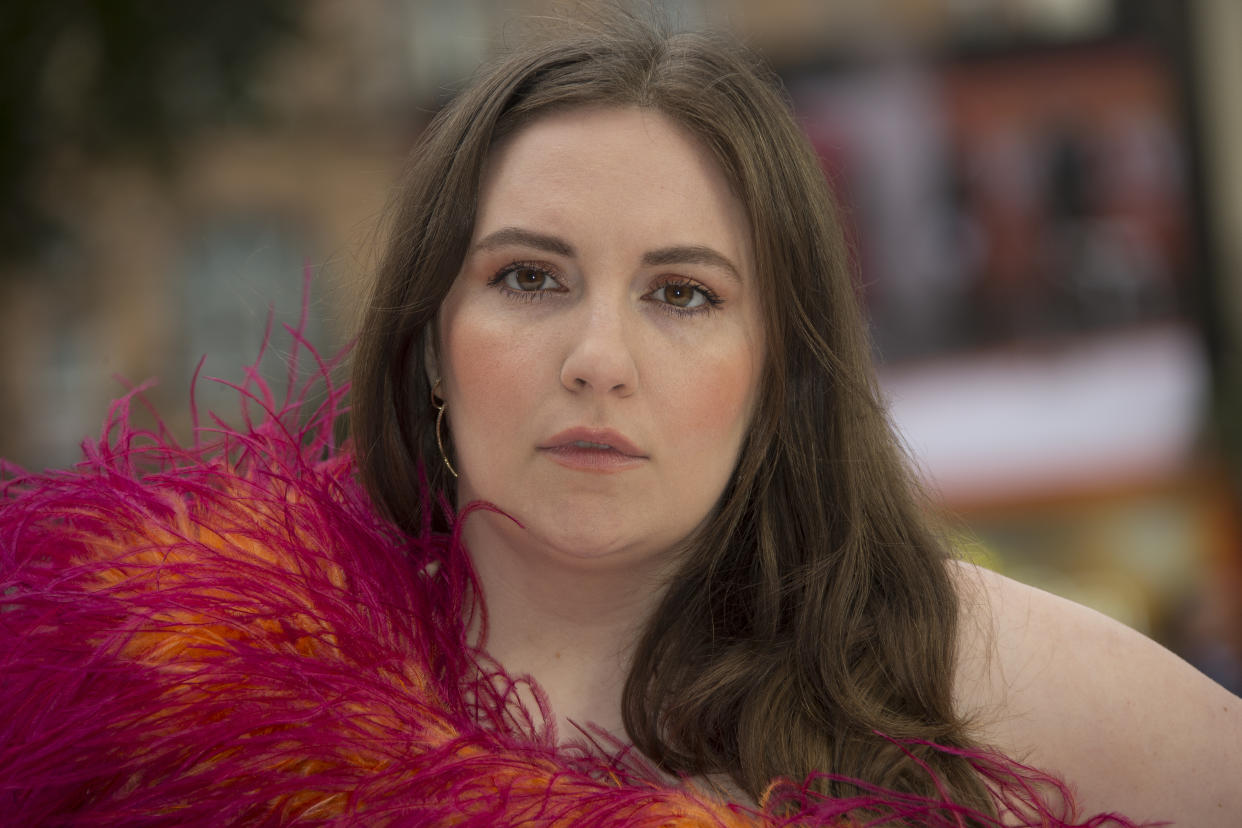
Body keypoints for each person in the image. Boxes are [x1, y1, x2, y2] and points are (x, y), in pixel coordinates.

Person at [1, 13, 1238, 828]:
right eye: (529, 278)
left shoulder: (962, 662)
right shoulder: (177, 681)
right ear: (431, 338)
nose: (598, 359)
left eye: (683, 294)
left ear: (777, 367)